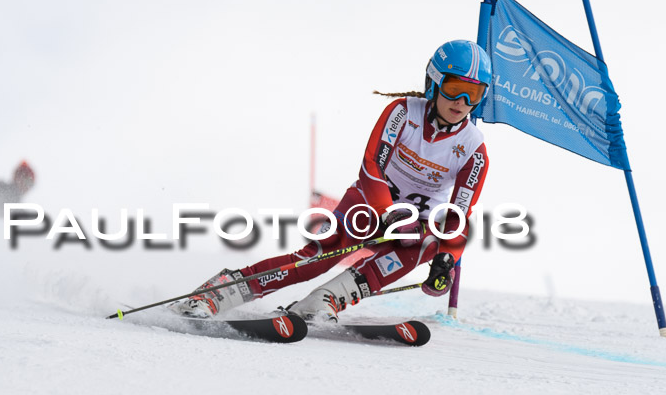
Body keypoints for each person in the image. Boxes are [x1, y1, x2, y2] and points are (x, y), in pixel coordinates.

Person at [171, 40, 492, 321]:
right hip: (368, 206)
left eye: (473, 94)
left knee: (435, 241)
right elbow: (370, 168)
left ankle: (323, 302)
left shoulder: (473, 148)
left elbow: (458, 215)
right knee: (315, 261)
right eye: (454, 88)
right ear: (434, 83)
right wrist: (388, 214)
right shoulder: (402, 112)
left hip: (414, 225)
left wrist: (446, 260)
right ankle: (214, 295)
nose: (462, 102)